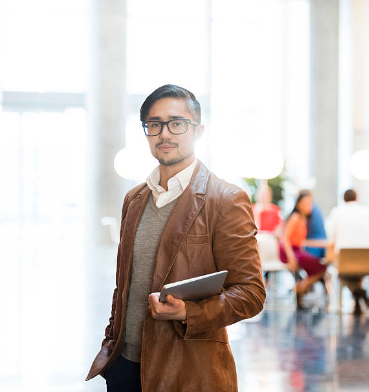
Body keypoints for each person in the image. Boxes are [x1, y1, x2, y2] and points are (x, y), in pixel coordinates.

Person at [85, 84, 266, 391]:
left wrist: (189, 312)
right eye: (154, 125)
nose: (164, 134)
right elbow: (123, 285)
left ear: (198, 131)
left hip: (187, 370)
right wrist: (111, 343)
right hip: (124, 368)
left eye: (177, 123)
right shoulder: (134, 198)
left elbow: (251, 293)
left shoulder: (225, 199)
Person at [279, 190, 328, 308]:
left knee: (321, 266)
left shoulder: (304, 219)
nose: (309, 206)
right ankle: (300, 288)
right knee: (322, 267)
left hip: (296, 250)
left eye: (310, 203)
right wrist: (291, 256)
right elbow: (285, 238)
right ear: (298, 204)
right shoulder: (295, 217)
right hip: (288, 250)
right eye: (306, 203)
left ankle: (299, 287)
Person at [329, 189, 369, 315]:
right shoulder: (366, 211)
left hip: (344, 260)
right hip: (365, 260)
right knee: (357, 269)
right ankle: (358, 291)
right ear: (356, 198)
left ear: (343, 200)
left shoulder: (336, 212)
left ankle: (356, 292)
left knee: (340, 270)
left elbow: (331, 240)